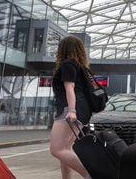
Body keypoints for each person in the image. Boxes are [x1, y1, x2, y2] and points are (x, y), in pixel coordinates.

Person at [50, 36, 92, 179]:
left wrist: (71, 110)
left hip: (70, 109)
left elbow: (70, 88)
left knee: (56, 149)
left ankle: (90, 174)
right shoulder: (81, 67)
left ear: (62, 49)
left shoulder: (68, 64)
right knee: (65, 149)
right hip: (83, 110)